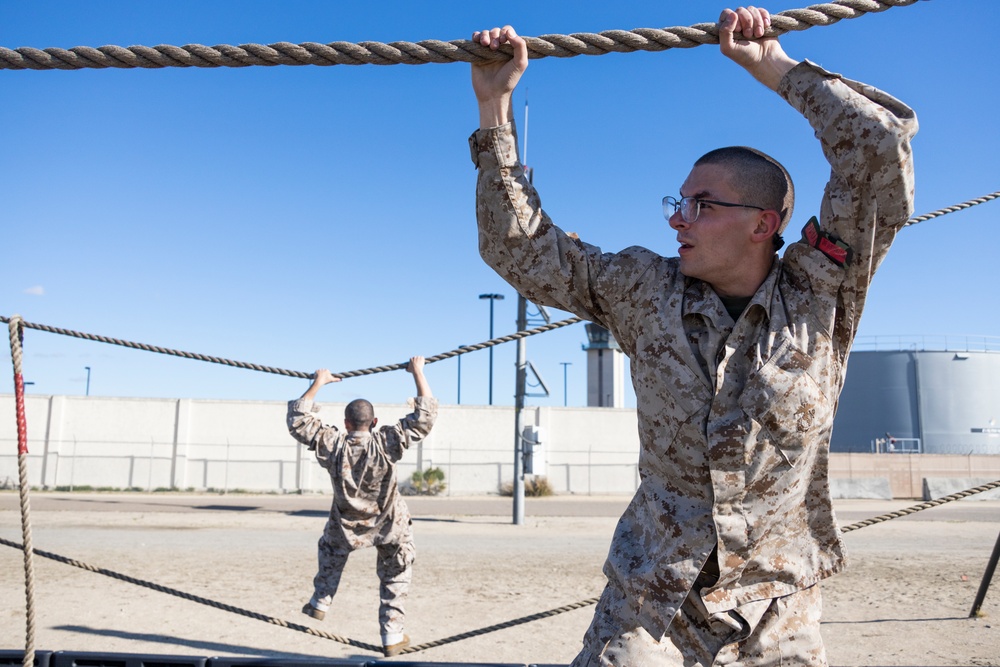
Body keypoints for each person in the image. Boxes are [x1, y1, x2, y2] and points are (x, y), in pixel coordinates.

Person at [469, 6, 916, 666]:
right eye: (678, 202)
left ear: (763, 224)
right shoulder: (644, 287)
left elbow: (881, 147)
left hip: (775, 601)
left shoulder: (821, 291)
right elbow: (524, 253)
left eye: (702, 204)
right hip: (652, 590)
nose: (680, 219)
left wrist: (774, 68)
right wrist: (494, 112)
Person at [286, 356, 437, 658]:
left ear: (346, 423)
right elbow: (425, 417)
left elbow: (298, 421)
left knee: (331, 548)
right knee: (396, 572)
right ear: (375, 422)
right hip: (389, 525)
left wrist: (319, 382)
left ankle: (320, 601)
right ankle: (392, 634)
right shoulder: (386, 442)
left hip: (346, 525)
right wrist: (417, 371)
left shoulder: (334, 443)